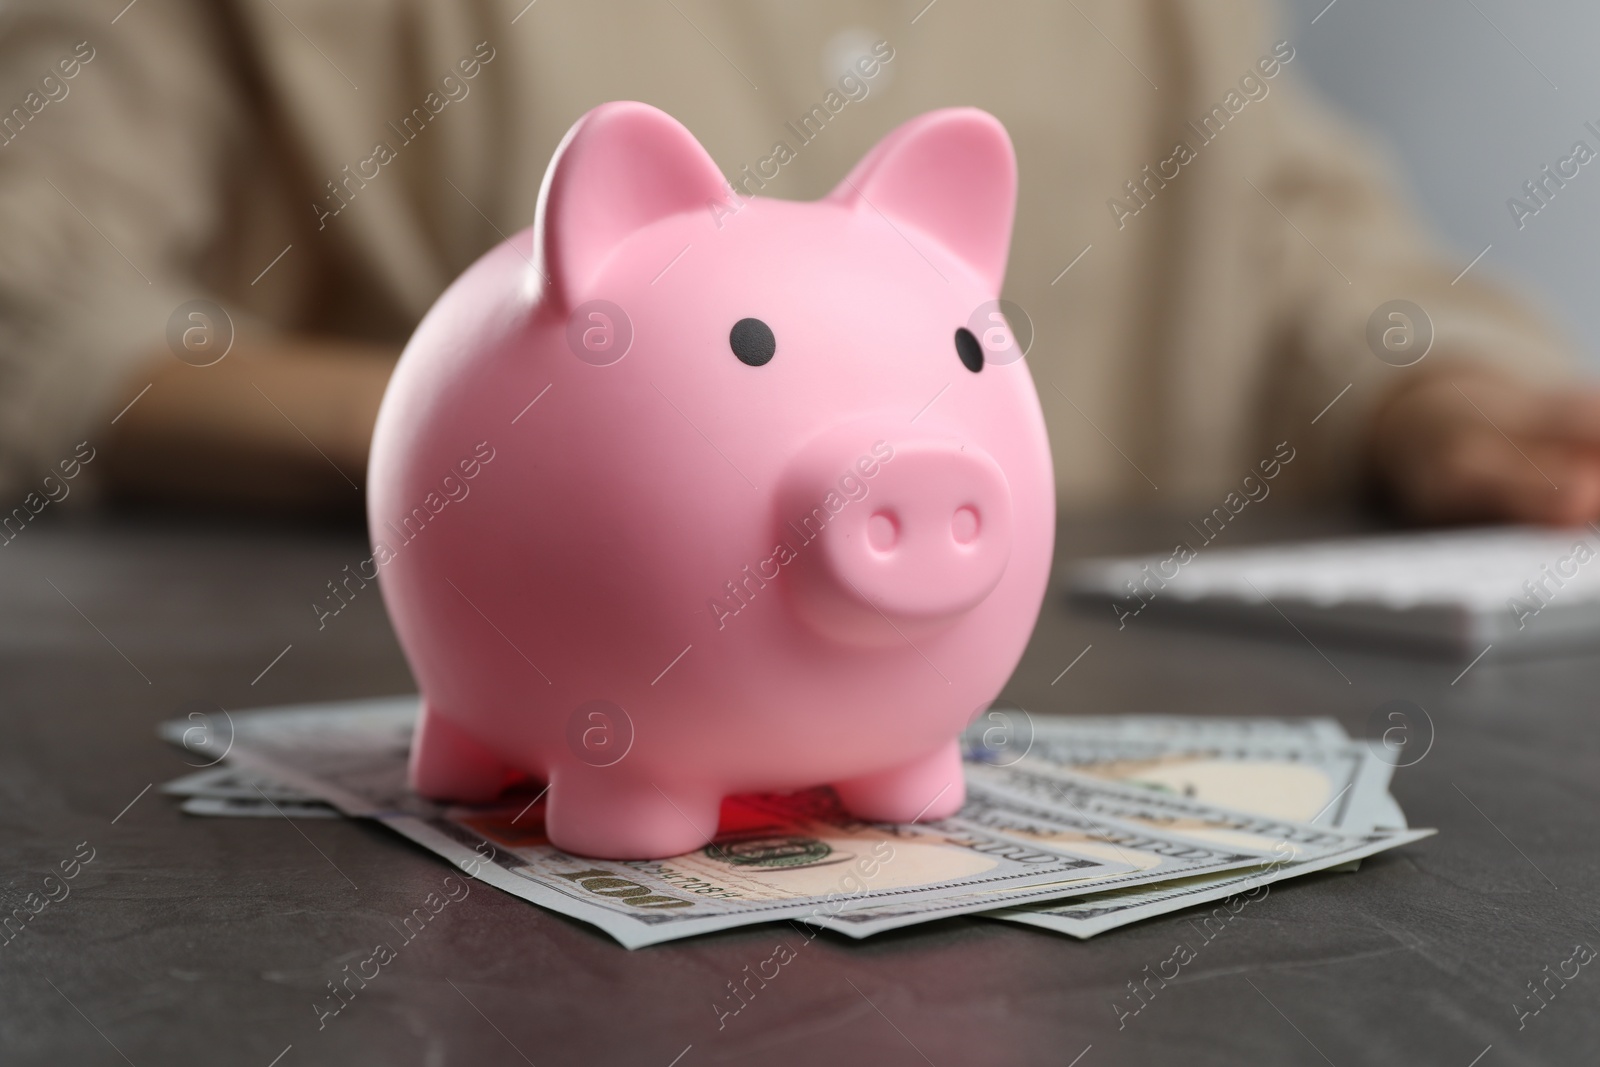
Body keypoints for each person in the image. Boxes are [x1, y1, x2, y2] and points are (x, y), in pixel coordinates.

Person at [2, 0, 1598, 522]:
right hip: (472, 741)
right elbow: (38, 293)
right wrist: (520, 422)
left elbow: (1301, 245)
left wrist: (1439, 391)